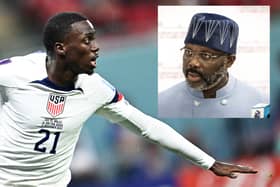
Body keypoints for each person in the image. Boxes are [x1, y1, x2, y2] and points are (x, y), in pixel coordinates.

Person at [0, 12, 257, 186]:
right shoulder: (16, 72)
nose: (96, 47)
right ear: (61, 48)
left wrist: (209, 162)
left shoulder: (96, 89)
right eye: (87, 40)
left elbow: (148, 127)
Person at [158, 13, 268, 118]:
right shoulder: (162, 101)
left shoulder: (260, 103)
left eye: (206, 55)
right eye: (188, 52)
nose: (193, 62)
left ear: (229, 61)